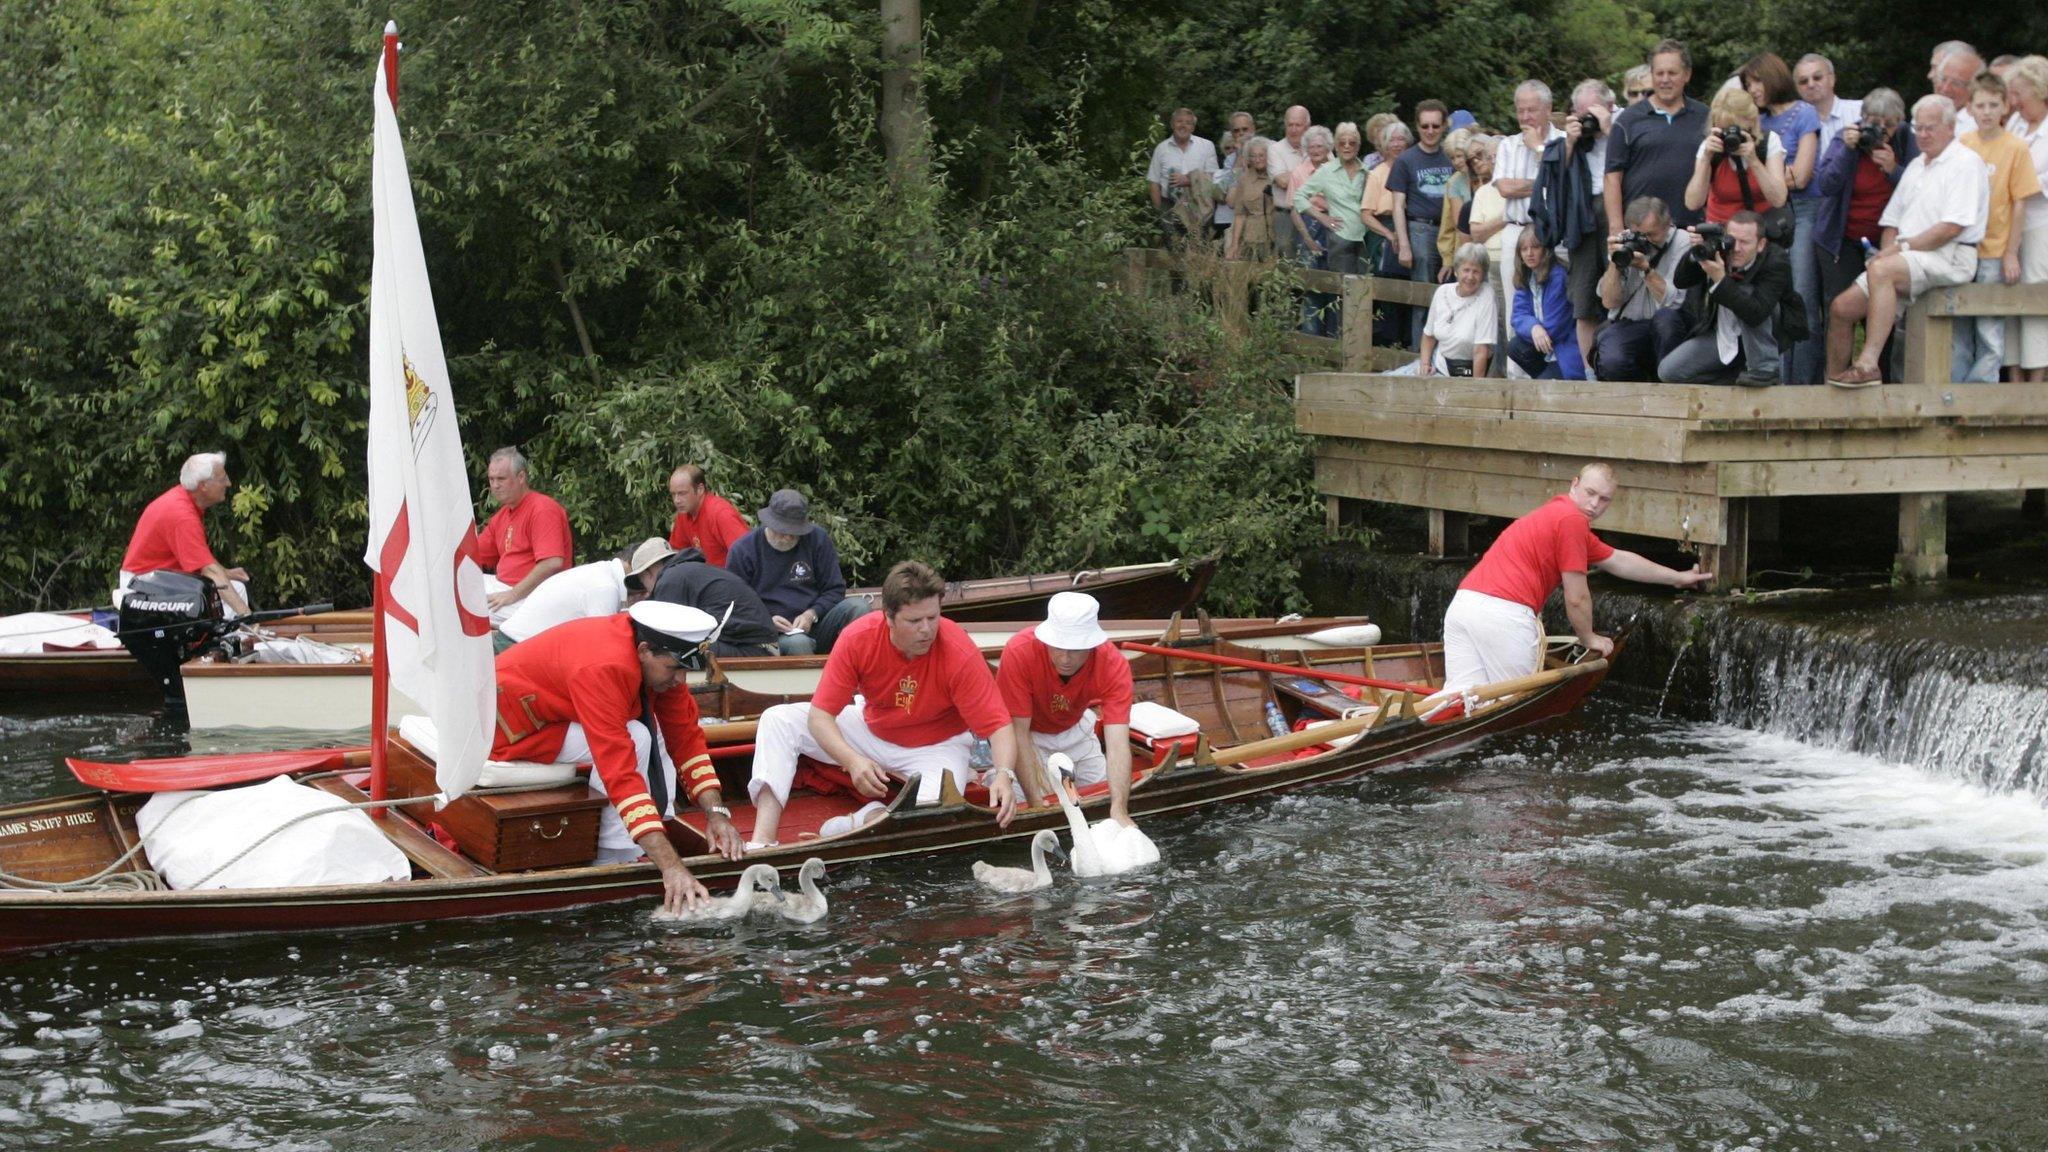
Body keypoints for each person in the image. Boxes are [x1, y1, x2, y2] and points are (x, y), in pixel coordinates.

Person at [490, 601, 743, 915]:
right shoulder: (604, 667)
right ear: (644, 650)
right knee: (637, 736)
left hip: (551, 713)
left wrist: (717, 813)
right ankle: (614, 858)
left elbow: (686, 739)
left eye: (685, 670)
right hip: (509, 730)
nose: (680, 680)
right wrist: (671, 868)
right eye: (675, 668)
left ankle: (655, 831)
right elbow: (619, 772)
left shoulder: (659, 658)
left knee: (654, 731)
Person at [745, 561, 1020, 847]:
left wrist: (1003, 775)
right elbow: (820, 717)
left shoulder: (958, 649)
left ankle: (863, 819)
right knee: (777, 719)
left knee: (929, 822)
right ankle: (763, 840)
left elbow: (998, 725)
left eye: (933, 617)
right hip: (872, 729)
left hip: (937, 746)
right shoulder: (858, 637)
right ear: (888, 617)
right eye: (914, 621)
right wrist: (851, 761)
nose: (927, 630)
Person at [1441, 463, 1712, 693]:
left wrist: (1677, 577)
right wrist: (1588, 638)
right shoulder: (1572, 521)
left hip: (1464, 607)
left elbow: (1619, 560)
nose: (1595, 504)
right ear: (1574, 485)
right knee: (1517, 708)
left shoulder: (1559, 516)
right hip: (1502, 617)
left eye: (1604, 499)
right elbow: (1577, 596)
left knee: (1459, 700)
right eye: (1590, 493)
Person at [1827, 96, 1989, 388]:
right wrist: (1890, 249)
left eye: (1930, 128)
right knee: (1841, 308)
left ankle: (1867, 365)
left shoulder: (1965, 162)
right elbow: (1892, 222)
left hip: (1949, 256)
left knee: (1882, 271)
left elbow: (1951, 227)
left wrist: (1897, 250)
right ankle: (1834, 381)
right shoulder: (1915, 165)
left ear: (1951, 127)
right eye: (1918, 128)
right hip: (1908, 256)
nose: (1923, 135)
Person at [996, 592, 1138, 831]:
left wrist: (1119, 808)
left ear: (1092, 644)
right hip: (1029, 734)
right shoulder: (1019, 651)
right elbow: (1017, 733)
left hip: (1077, 728)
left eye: (1075, 649)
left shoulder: (1113, 664)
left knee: (1100, 799)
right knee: (1022, 804)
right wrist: (1037, 807)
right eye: (1058, 646)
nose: (1065, 658)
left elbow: (1117, 745)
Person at [1954, 73, 2042, 382]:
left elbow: (2020, 202)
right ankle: (1957, 391)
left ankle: (1982, 394)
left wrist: (2011, 253)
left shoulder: (2016, 148)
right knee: (1959, 327)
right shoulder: (1962, 144)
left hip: (1995, 249)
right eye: (1981, 105)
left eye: (1994, 104)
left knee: (1989, 328)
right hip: (1964, 248)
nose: (1987, 111)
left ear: (2005, 107)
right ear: (1971, 108)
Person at [1813, 90, 1912, 359]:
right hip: (1841, 241)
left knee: (1882, 313)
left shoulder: (1905, 138)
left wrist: (1894, 169)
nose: (1881, 131)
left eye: (1888, 125)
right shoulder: (1846, 138)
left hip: (1886, 244)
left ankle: (1878, 376)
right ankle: (1835, 379)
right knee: (1838, 310)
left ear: (1899, 122)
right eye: (1874, 123)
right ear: (1862, 119)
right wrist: (1848, 149)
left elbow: (1921, 190)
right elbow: (1826, 185)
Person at [1743, 52, 1824, 383]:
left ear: (1772, 77)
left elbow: (1802, 176)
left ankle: (1802, 384)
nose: (1753, 90)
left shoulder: (1804, 113)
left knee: (1801, 297)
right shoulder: (1755, 120)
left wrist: (1767, 175)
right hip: (1765, 215)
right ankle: (1773, 378)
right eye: (1748, 85)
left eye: (1756, 81)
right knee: (1769, 300)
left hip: (1803, 211)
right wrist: (1775, 175)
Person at [1535, 80, 1617, 367]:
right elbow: (1554, 180)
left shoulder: (1622, 129)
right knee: (1583, 302)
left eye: (1592, 112)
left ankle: (1618, 368)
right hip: (1581, 221)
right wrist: (1570, 142)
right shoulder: (1571, 139)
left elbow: (1637, 164)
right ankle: (1590, 372)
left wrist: (1610, 130)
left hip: (1615, 214)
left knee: (1619, 296)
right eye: (1581, 114)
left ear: (1609, 107)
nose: (1587, 120)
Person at [726, 488, 866, 656]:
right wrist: (766, 621)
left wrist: (811, 614)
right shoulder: (743, 550)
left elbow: (834, 589)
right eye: (784, 531)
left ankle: (858, 672)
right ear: (770, 523)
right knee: (798, 643)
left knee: (859, 607)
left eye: (796, 532)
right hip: (772, 634)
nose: (789, 537)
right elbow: (735, 605)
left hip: (817, 622)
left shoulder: (817, 539)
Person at [1661, 211, 1795, 384]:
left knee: (1748, 294)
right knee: (1668, 372)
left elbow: (1757, 313)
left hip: (1765, 336)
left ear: (1761, 244)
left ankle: (1764, 372)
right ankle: (1733, 380)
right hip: (1724, 336)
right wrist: (1696, 252)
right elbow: (1681, 281)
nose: (1737, 248)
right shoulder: (1721, 250)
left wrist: (1721, 280)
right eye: (1732, 240)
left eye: (1745, 242)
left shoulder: (1776, 260)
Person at [118, 451, 252, 617]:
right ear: (203, 485)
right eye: (222, 479)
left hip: (155, 581)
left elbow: (202, 559)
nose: (229, 483)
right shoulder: (182, 516)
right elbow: (209, 570)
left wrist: (226, 573)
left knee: (234, 587)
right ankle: (238, 635)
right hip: (142, 586)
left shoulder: (184, 499)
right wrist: (247, 615)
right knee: (233, 596)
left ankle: (233, 636)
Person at [1608, 40, 1712, 233]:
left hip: (1690, 228)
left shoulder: (1705, 117)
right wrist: (1615, 227)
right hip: (1640, 228)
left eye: (1672, 73)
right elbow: (1612, 176)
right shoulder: (1628, 120)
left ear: (1687, 75)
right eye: (1659, 73)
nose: (1665, 79)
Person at [498, 537, 676, 648]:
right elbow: (602, 648)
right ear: (640, 570)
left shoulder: (602, 575)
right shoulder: (605, 588)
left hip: (517, 644)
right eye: (652, 575)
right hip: (515, 647)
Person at [1595, 196, 1696, 381]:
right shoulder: (1625, 244)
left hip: (1670, 323)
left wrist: (1646, 269)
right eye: (1639, 235)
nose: (1645, 241)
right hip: (1631, 325)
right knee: (1612, 360)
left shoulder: (1683, 241)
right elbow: (1609, 301)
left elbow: (1674, 302)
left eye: (1651, 235)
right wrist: (1615, 263)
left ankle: (1668, 387)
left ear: (1668, 224)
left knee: (1665, 321)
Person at [477, 446, 573, 625]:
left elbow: (552, 562)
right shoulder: (503, 514)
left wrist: (512, 595)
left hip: (534, 599)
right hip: (506, 591)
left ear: (521, 477)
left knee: (463, 608)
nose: (495, 486)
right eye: (491, 479)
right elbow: (472, 555)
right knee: (451, 590)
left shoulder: (542, 508)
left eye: (501, 479)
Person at [1494, 81, 1564, 320]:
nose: (1525, 117)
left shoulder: (1564, 141)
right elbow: (1504, 188)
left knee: (1557, 307)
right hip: (1516, 230)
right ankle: (1517, 358)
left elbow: (1564, 185)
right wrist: (1544, 182)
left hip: (1554, 234)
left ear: (1548, 108)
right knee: (1516, 310)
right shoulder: (1507, 145)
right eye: (1520, 110)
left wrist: (1538, 149)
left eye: (1531, 110)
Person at [1295, 120, 1373, 334]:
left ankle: (1360, 345)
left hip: (1365, 239)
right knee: (1342, 296)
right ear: (1336, 146)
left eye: (1352, 142)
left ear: (1358, 146)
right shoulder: (1326, 171)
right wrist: (1321, 218)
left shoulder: (1367, 172)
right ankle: (1341, 345)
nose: (1347, 146)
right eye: (1342, 142)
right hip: (1340, 239)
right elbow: (1299, 197)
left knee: (1365, 296)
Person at [1392, 101, 1457, 341]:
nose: (1430, 131)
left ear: (1444, 126)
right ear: (1417, 127)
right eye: (1425, 126)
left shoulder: (1451, 156)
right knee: (1423, 295)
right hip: (1420, 228)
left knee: (1453, 293)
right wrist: (1405, 245)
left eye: (1435, 126)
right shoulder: (1406, 160)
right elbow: (1397, 204)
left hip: (1451, 230)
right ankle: (1419, 357)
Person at [646, 546, 783, 657]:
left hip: (754, 650)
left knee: (673, 649)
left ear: (648, 573)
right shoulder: (694, 571)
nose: (647, 593)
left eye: (642, 584)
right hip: (760, 646)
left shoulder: (670, 579)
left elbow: (665, 635)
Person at [1684, 88, 1790, 227]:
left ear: (1751, 123)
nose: (1731, 138)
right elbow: (1692, 203)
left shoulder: (1768, 142)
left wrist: (1754, 161)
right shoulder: (1710, 146)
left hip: (1762, 229)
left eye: (1737, 130)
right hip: (1722, 228)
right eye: (1725, 129)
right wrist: (1705, 159)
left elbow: (1779, 199)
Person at [2007, 56, 2048, 382]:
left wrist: (2017, 183)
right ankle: (2014, 377)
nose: (2014, 102)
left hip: (2041, 224)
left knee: (2034, 296)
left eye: (2019, 93)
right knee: (2006, 296)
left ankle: (2036, 381)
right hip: (2009, 224)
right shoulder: (2016, 125)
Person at [1509, 228, 1585, 379]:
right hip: (1545, 346)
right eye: (1524, 249)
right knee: (1514, 346)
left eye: (1535, 247)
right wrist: (1533, 327)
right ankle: (1548, 376)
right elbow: (1517, 316)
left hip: (1564, 351)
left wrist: (1536, 330)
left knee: (1540, 390)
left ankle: (1554, 377)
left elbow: (1555, 328)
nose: (1529, 253)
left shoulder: (1558, 275)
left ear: (1546, 250)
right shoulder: (1527, 275)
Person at [1417, 243, 1498, 377]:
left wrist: (1474, 390)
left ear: (1483, 275)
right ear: (1456, 271)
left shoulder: (1486, 295)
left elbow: (1480, 351)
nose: (1470, 277)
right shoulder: (1442, 292)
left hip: (1467, 372)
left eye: (1476, 271)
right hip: (1439, 367)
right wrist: (1425, 365)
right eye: (1466, 270)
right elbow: (1428, 335)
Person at [1146, 108, 1220, 248]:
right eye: (1179, 121)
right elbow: (1154, 182)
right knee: (1174, 248)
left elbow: (1213, 177)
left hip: (1198, 204)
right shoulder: (1161, 149)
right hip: (1170, 205)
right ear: (1172, 124)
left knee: (1199, 246)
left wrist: (1189, 180)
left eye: (1188, 122)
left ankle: (1197, 269)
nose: (1183, 125)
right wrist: (1161, 211)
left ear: (1193, 127)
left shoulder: (1206, 146)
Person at [1289, 126, 1338, 336]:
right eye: (1312, 146)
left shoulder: (1339, 168)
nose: (1316, 150)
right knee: (1310, 287)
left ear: (1328, 147)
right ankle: (1312, 341)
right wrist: (1308, 239)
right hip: (1308, 227)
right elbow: (1294, 209)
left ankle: (1336, 341)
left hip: (1336, 227)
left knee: (1336, 287)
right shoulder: (1299, 172)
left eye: (1320, 145)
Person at [666, 464, 749, 567]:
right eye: (673, 494)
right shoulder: (684, 512)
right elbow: (677, 553)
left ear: (700, 489)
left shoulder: (721, 514)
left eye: (682, 493)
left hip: (729, 579)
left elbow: (747, 556)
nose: (676, 500)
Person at [1795, 53, 1863, 158]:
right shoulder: (1793, 124)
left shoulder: (1860, 111)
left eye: (1817, 77)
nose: (1811, 84)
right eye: (1803, 81)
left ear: (1832, 79)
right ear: (1797, 88)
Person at [1268, 106, 1313, 263]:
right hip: (1285, 217)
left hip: (1314, 215)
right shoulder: (1274, 150)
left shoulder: (1320, 146)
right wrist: (1315, 176)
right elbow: (1283, 181)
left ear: (1307, 127)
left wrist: (1293, 175)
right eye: (1290, 125)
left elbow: (1331, 179)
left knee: (1313, 262)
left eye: (1298, 125)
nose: (1293, 130)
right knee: (1286, 265)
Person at [1225, 136, 1279, 261]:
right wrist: (1234, 245)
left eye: (1261, 155)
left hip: (1276, 235)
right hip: (1251, 237)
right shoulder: (1244, 179)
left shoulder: (1277, 177)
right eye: (1253, 156)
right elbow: (1240, 214)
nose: (1257, 160)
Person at [1212, 111, 1257, 243]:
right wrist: (1238, 158)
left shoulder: (1269, 147)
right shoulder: (1230, 159)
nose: (1241, 134)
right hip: (1236, 218)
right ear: (1232, 134)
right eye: (1236, 131)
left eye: (1245, 129)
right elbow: (1227, 197)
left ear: (1253, 129)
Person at [1930, 42, 1985, 133]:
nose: (1945, 88)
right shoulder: (1924, 113)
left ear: (1975, 88)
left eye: (1956, 83)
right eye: (1943, 79)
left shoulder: (1976, 127)